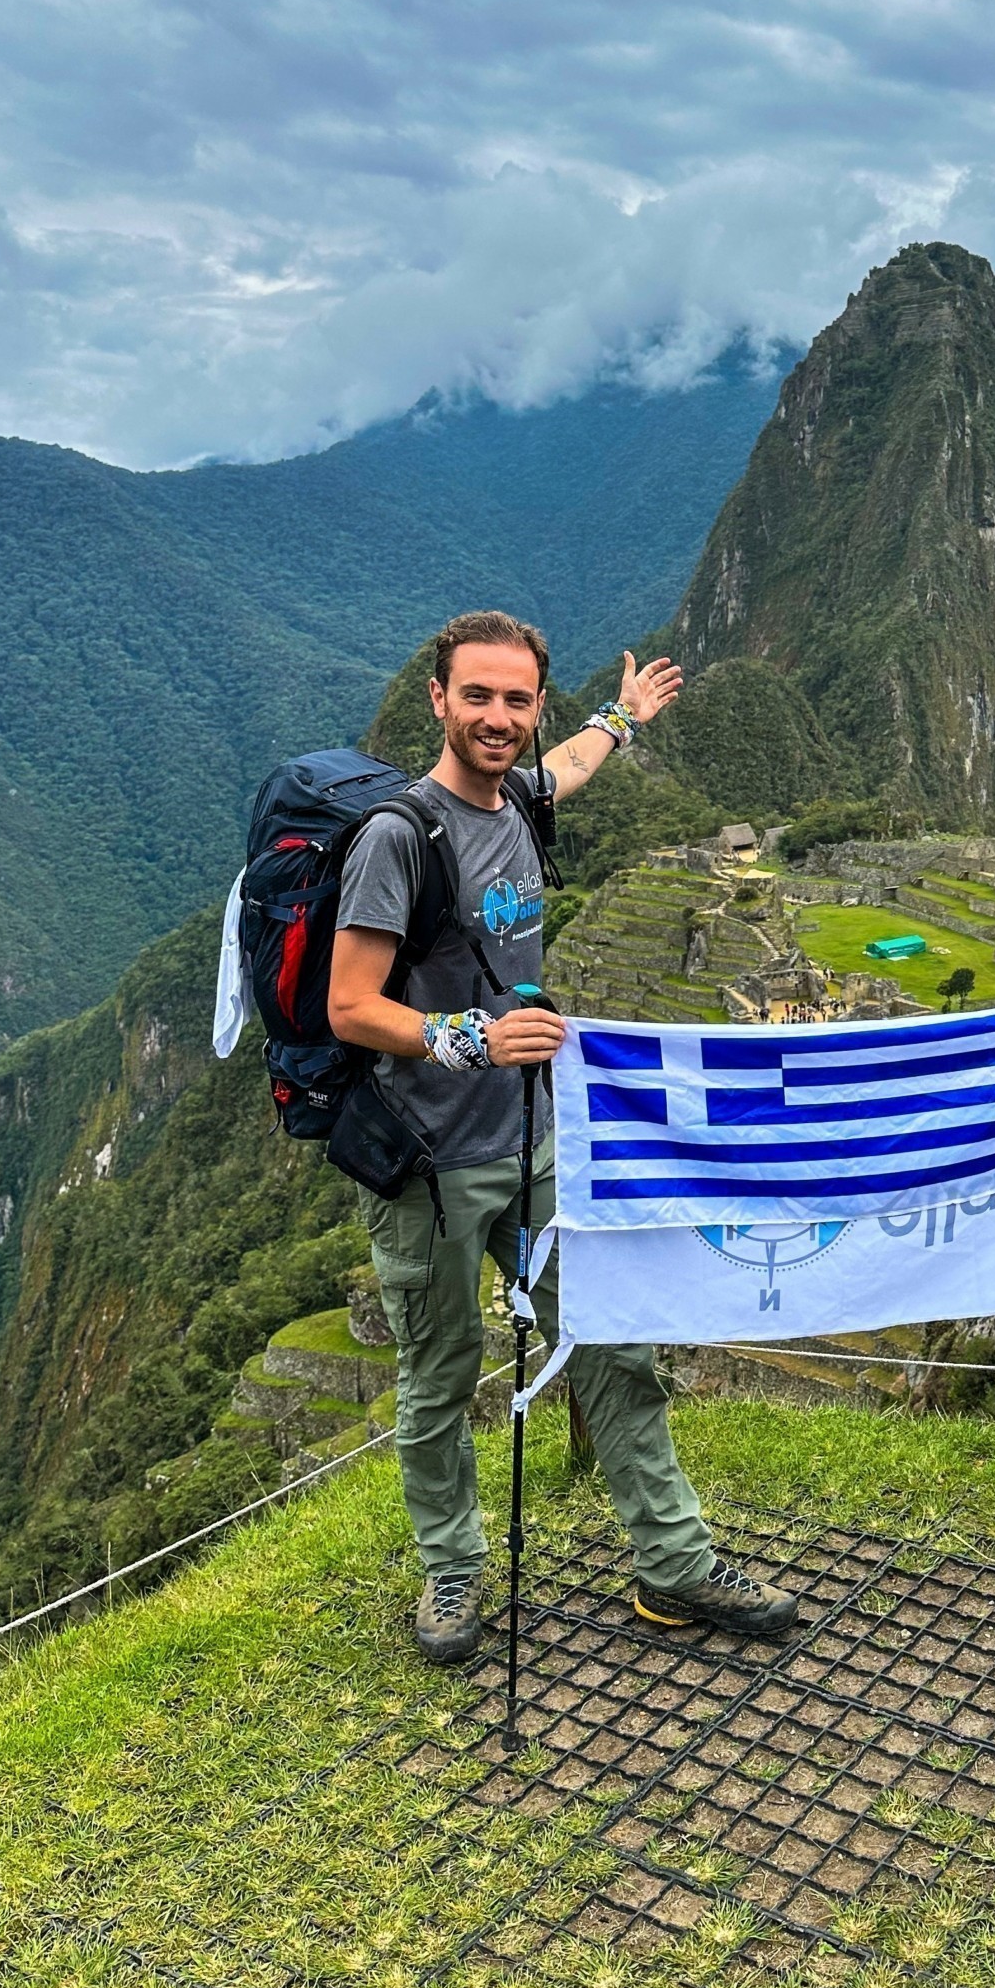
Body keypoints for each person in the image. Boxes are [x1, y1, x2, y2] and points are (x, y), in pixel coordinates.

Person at [330, 610, 798, 1664]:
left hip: (537, 1145)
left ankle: (674, 1565)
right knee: (442, 1374)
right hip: (428, 1166)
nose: (499, 718)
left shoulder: (523, 801)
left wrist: (621, 718)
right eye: (479, 697)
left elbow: (571, 766)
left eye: (518, 700)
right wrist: (468, 1037)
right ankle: (453, 1572)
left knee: (612, 1343)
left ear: (536, 707)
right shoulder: (399, 839)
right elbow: (351, 1006)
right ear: (438, 700)